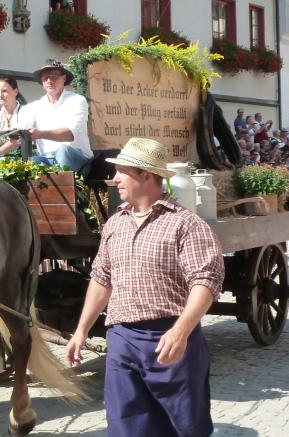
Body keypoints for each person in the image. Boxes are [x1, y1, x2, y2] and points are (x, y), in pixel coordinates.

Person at [66, 138, 223, 437]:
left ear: (146, 176)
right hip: (122, 339)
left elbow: (205, 282)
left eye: (122, 172)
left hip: (170, 339)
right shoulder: (115, 223)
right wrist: (81, 330)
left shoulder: (186, 224)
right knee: (125, 428)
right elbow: (101, 278)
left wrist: (180, 331)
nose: (114, 179)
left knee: (185, 428)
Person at [0, 60, 93, 175]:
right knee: (28, 164)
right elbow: (19, 136)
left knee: (63, 151)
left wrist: (40, 134)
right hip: (47, 159)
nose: (49, 81)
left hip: (78, 159)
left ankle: (63, 184)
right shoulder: (34, 107)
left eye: (54, 77)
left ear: (64, 78)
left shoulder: (77, 100)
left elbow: (70, 134)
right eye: (45, 78)